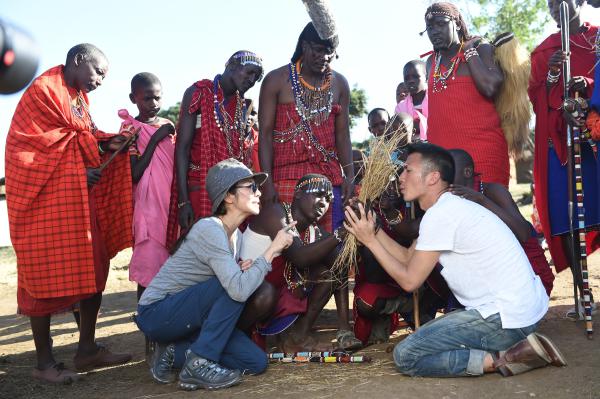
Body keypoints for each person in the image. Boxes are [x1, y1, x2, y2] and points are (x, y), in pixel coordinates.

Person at [344, 142, 566, 377]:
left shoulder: (442, 214)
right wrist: (374, 230)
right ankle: (511, 347)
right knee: (429, 337)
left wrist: (369, 241)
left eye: (408, 170)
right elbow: (408, 256)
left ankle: (502, 359)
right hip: (521, 313)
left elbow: (410, 281)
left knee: (406, 354)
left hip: (506, 319)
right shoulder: (446, 209)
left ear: (433, 177)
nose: (400, 177)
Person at [5, 43, 134, 383]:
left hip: (76, 201)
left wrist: (108, 142)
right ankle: (44, 363)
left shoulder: (78, 98)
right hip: (44, 203)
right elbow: (27, 151)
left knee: (94, 267)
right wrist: (76, 172)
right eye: (99, 73)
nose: (101, 82)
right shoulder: (45, 90)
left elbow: (82, 137)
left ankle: (87, 349)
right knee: (42, 278)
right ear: (78, 61)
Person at [135, 158, 294, 390]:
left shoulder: (235, 237)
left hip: (188, 317)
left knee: (255, 362)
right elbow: (237, 290)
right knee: (233, 286)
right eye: (251, 187)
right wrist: (272, 249)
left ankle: (174, 352)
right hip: (157, 312)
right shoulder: (210, 228)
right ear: (229, 197)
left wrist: (242, 269)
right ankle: (198, 362)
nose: (258, 193)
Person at [529, 0, 599, 313]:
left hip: (594, 142)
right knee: (567, 220)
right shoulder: (545, 51)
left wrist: (589, 85)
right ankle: (583, 295)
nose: (556, 6)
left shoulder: (596, 40)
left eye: (562, 0)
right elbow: (536, 99)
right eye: (550, 3)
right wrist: (554, 75)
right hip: (559, 148)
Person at [240, 174, 362, 351]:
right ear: (297, 194)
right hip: (248, 297)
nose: (323, 202)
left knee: (329, 273)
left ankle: (298, 336)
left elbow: (341, 264)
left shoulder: (314, 232)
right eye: (318, 194)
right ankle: (237, 335)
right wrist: (340, 234)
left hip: (274, 296)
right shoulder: (275, 213)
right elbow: (300, 257)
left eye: (328, 199)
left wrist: (344, 329)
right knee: (266, 293)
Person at [258, 22, 354, 233]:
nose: (325, 58)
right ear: (305, 46)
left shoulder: (340, 84)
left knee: (328, 247)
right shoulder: (276, 80)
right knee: (288, 251)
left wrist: (349, 177)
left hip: (327, 182)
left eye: (330, 53)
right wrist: (267, 183)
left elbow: (343, 136)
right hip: (285, 179)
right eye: (319, 50)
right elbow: (264, 135)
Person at [166, 51, 264, 248]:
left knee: (227, 253)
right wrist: (183, 202)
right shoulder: (199, 93)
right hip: (199, 187)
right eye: (249, 73)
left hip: (232, 193)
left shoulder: (243, 106)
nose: (252, 80)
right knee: (196, 253)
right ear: (232, 66)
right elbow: (182, 148)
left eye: (256, 77)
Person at [423, 2, 510, 187]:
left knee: (489, 212)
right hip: (442, 158)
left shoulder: (481, 49)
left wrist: (469, 50)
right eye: (429, 27)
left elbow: (490, 87)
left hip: (482, 152)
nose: (434, 31)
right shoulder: (431, 62)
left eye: (440, 24)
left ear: (456, 23)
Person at [448, 149, 555, 295]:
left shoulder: (492, 191)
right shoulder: (450, 198)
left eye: (448, 171)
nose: (444, 176)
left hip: (528, 278)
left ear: (467, 172)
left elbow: (523, 234)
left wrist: (481, 200)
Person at [121, 73, 176, 299]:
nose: (154, 104)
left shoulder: (168, 126)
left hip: (171, 205)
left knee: (173, 272)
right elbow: (133, 173)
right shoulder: (129, 128)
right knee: (149, 271)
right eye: (147, 99)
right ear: (133, 98)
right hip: (148, 210)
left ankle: (168, 327)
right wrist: (154, 139)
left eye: (158, 98)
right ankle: (147, 327)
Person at [395, 60, 428, 141]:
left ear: (426, 77)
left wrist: (413, 125)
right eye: (407, 78)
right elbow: (401, 132)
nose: (411, 81)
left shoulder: (436, 99)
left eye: (415, 76)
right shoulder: (400, 108)